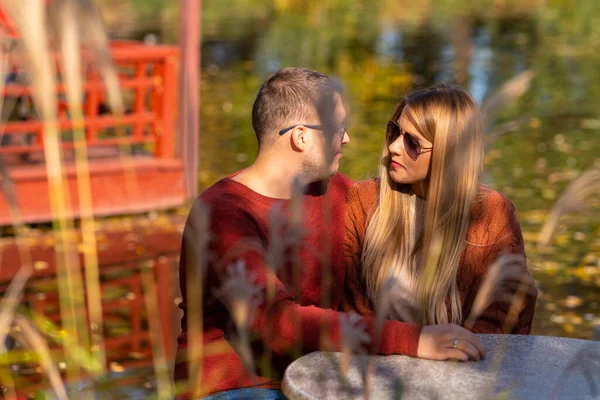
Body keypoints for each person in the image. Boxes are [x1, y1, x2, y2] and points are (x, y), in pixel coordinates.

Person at [175, 70, 486, 400]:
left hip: (322, 379)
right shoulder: (223, 213)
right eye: (338, 129)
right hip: (236, 389)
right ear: (301, 137)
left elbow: (413, 201)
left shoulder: (333, 191)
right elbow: (276, 322)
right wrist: (414, 339)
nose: (347, 138)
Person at [342, 85, 538, 342]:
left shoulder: (492, 214)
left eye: (412, 142)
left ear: (449, 153)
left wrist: (448, 359)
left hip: (459, 370)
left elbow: (502, 321)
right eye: (394, 132)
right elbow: (350, 308)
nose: (394, 148)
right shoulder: (363, 201)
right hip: (377, 367)